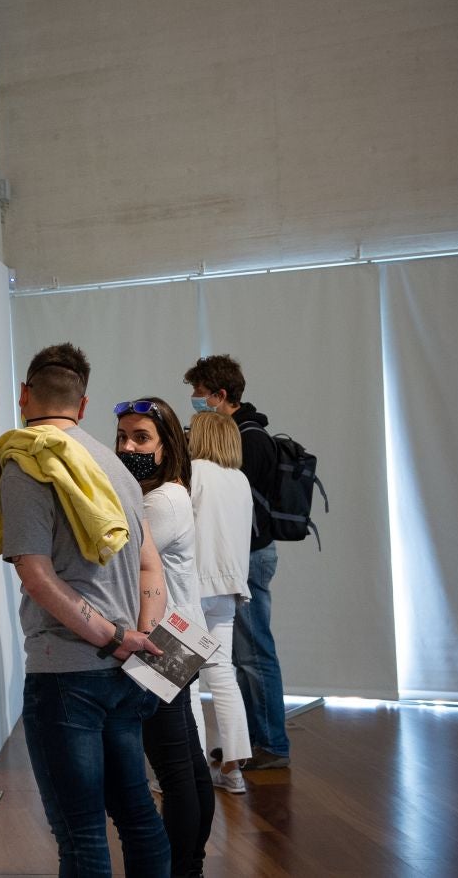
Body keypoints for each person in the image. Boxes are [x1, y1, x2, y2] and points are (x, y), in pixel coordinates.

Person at [0, 342, 171, 877]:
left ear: (22, 396)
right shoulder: (116, 465)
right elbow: (152, 566)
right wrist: (140, 636)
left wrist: (111, 637)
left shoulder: (27, 462)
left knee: (80, 832)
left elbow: (36, 575)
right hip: (126, 669)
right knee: (136, 814)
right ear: (83, 407)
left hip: (68, 674)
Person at [115, 397, 215, 878]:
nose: (127, 447)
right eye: (122, 437)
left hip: (164, 639)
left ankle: (184, 866)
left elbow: (116, 556)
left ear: (167, 445)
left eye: (141, 438)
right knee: (186, 763)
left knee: (175, 769)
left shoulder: (161, 501)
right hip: (176, 634)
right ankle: (189, 862)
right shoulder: (161, 494)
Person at [184, 354, 290, 769]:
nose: (194, 401)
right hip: (235, 567)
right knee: (230, 665)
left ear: (219, 395)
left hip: (238, 562)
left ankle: (268, 744)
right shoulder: (246, 441)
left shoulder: (246, 443)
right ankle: (239, 746)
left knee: (249, 658)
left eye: (198, 394)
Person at [187, 411, 254, 793]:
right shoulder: (239, 481)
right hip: (228, 588)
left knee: (187, 682)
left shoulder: (193, 474)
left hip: (192, 588)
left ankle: (192, 772)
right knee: (222, 673)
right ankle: (233, 770)